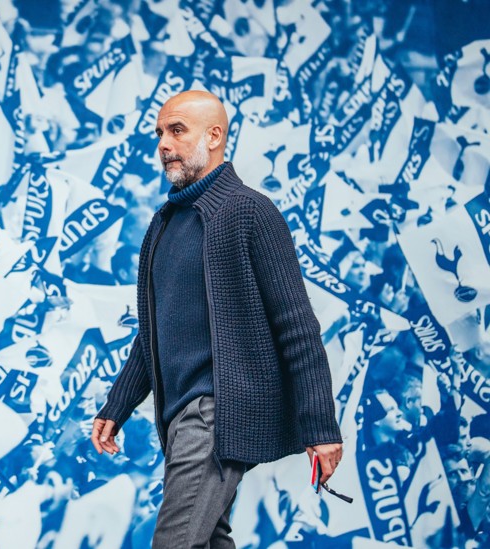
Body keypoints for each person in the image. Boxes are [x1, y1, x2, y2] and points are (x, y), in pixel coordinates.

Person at [89, 90, 343, 548]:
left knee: (175, 541)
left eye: (177, 130)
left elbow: (297, 326)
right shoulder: (163, 224)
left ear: (215, 136)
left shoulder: (249, 211)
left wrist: (320, 425)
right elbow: (154, 332)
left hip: (217, 413)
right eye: (160, 133)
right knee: (206, 540)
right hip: (178, 415)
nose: (164, 143)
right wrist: (118, 404)